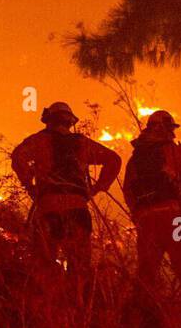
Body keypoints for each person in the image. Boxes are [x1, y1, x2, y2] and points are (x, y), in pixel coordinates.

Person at [11, 101, 121, 273]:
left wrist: (29, 185)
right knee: (79, 269)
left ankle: (48, 297)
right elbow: (114, 159)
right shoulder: (82, 143)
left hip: (48, 207)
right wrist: (97, 188)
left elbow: (18, 157)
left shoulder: (39, 140)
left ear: (48, 120)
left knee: (43, 267)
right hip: (77, 209)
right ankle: (77, 297)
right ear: (70, 122)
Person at [123, 110, 181, 297]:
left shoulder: (134, 159)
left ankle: (143, 313)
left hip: (146, 220)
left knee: (147, 270)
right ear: (168, 129)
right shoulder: (173, 151)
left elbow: (128, 191)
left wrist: (138, 215)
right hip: (176, 218)